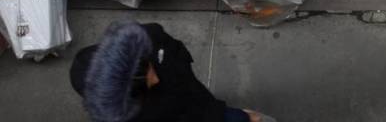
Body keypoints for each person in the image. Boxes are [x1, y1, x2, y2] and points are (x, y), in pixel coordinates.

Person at [70, 21, 273, 122]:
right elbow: (195, 114)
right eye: (143, 81)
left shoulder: (146, 37)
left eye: (147, 66)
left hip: (191, 95)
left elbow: (168, 43)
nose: (155, 78)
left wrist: (181, 63)